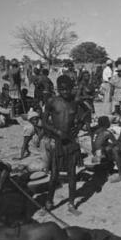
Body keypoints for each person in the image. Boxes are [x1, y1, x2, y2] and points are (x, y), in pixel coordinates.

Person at [42, 75, 89, 215]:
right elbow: (44, 122)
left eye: (67, 89)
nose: (65, 92)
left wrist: (79, 125)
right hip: (58, 142)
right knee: (54, 174)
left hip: (71, 142)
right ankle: (49, 202)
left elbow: (87, 112)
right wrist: (56, 131)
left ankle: (71, 203)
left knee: (72, 174)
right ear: (57, 89)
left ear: (71, 88)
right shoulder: (52, 101)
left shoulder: (75, 102)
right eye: (61, 89)